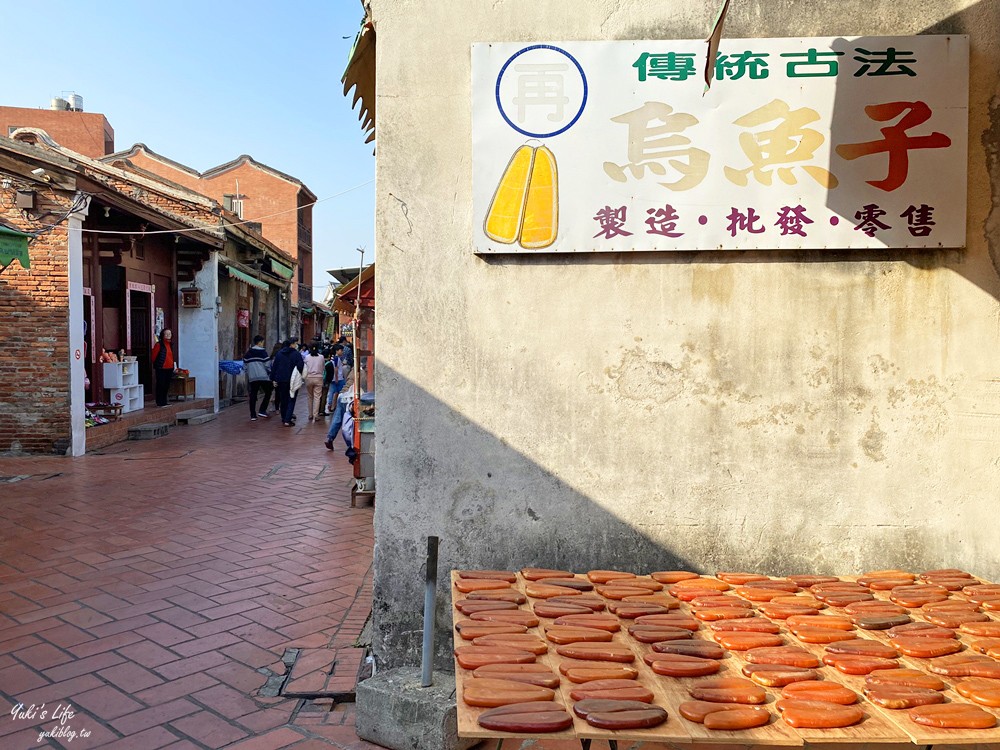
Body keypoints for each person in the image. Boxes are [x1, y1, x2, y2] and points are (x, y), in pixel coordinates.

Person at [270, 337, 304, 426]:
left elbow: (274, 367)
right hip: (292, 379)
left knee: (283, 399)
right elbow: (301, 366)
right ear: (292, 344)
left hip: (281, 379)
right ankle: (287, 419)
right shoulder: (296, 354)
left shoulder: (279, 354)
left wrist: (273, 378)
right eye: (296, 343)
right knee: (291, 399)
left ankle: (284, 417)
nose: (297, 345)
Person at [325, 358, 354, 450]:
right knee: (351, 420)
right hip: (350, 397)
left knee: (337, 418)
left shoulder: (353, 371)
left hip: (342, 395)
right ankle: (351, 443)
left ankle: (330, 438)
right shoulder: (363, 373)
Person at [242, 335, 273, 421]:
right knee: (268, 391)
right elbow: (267, 365)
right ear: (259, 342)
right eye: (262, 342)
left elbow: (244, 366)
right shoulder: (263, 352)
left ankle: (253, 415)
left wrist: (249, 372)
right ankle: (262, 410)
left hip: (252, 377)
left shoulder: (248, 353)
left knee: (253, 395)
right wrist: (269, 372)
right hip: (263, 377)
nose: (263, 344)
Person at [151, 329, 176, 407]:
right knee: (161, 384)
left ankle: (164, 401)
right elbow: (153, 357)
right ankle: (159, 402)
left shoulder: (170, 344)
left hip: (169, 367)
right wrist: (157, 365)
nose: (168, 335)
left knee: (166, 385)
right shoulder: (159, 344)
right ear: (162, 335)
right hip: (161, 368)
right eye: (166, 334)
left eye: (170, 334)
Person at [301, 343, 325, 421]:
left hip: (309, 378)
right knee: (317, 397)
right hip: (319, 378)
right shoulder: (321, 357)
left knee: (310, 396)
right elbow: (323, 367)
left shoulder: (307, 357)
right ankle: (316, 415)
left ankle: (310, 414)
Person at [322, 344, 344, 416]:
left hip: (333, 378)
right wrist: (337, 378)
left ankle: (331, 405)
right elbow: (336, 369)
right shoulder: (337, 359)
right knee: (340, 391)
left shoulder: (332, 358)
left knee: (333, 392)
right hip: (338, 378)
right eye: (341, 350)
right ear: (337, 351)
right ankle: (332, 405)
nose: (342, 352)